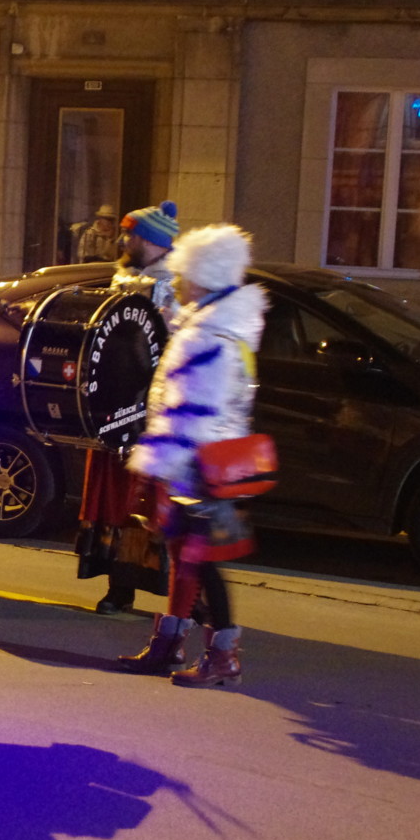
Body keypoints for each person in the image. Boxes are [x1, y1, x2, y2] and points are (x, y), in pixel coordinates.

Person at [116, 224, 266, 688]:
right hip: (204, 461)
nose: (179, 282)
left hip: (198, 465)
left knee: (201, 560)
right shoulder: (216, 326)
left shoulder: (211, 335)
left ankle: (222, 657)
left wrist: (157, 465)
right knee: (185, 556)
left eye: (185, 275)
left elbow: (193, 410)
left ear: (204, 276)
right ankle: (170, 644)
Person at [83, 201, 182, 615]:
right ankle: (119, 585)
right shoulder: (121, 279)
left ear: (152, 241)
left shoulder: (178, 286)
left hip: (153, 410)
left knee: (148, 500)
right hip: (117, 404)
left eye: (132, 235)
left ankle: (184, 596)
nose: (124, 241)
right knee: (116, 498)